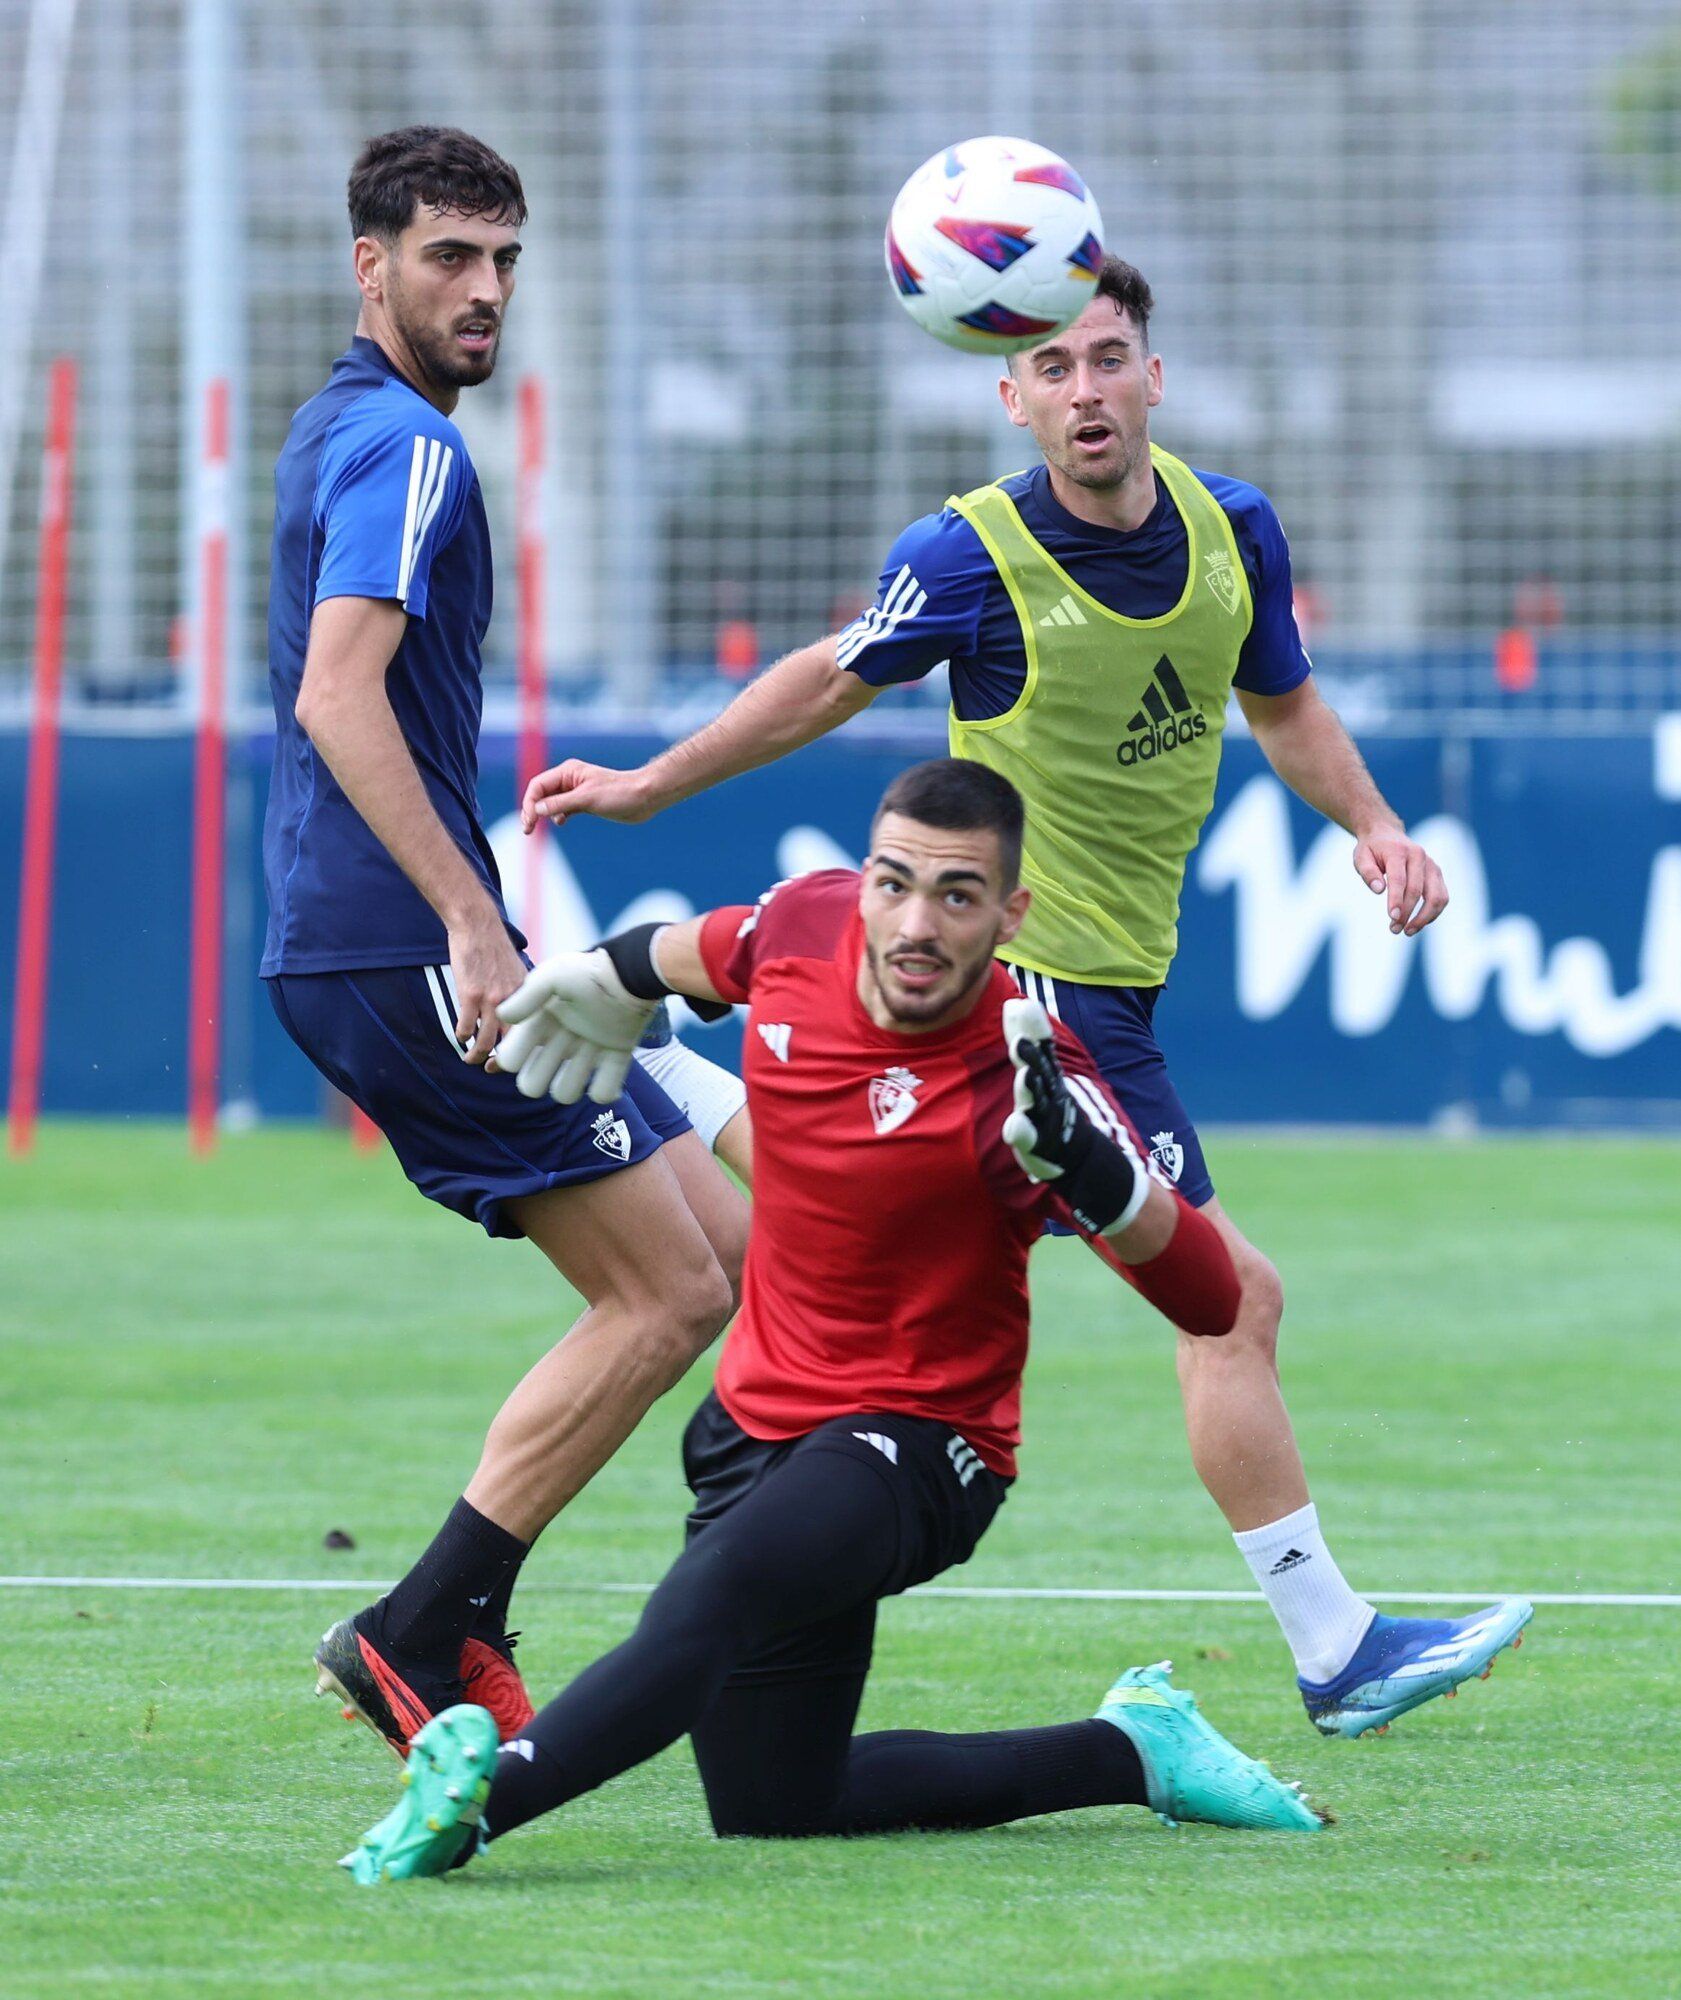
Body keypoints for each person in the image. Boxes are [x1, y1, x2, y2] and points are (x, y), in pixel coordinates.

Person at [516, 256, 1532, 1735]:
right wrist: (652, 782)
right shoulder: (967, 555)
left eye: (1107, 358)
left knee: (898, 1203)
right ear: (1010, 395)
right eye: (1051, 372)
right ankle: (1334, 1647)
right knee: (1229, 1296)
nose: (1084, 391)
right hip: (1032, 994)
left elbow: (1284, 701)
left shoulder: (1231, 527)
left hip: (1111, 990)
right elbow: (826, 679)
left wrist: (1372, 825)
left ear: (1152, 376)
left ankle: (668, 1072)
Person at [338, 759, 1335, 1885]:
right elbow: (690, 949)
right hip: (753, 1433)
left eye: (957, 896)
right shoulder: (803, 923)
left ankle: (477, 1806)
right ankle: (1133, 1749)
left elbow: (1213, 1300)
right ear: (859, 881)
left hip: (918, 1447)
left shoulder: (1031, 1071)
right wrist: (610, 981)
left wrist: (1106, 1180)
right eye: (893, 883)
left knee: (704, 1604)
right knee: (776, 1802)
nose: (915, 923)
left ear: (1010, 914)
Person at [260, 126, 749, 1758]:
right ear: (370, 266)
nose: (484, 291)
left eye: (504, 260)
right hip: (402, 939)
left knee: (726, 1250)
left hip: (386, 933)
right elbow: (339, 694)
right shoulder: (407, 449)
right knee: (670, 1294)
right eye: (450, 258)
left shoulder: (350, 430)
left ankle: (472, 1622)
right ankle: (423, 1631)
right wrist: (473, 919)